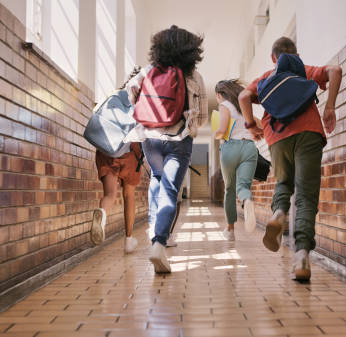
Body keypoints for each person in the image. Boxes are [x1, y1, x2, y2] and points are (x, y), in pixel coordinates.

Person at [238, 37, 342, 281]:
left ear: (274, 58)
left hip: (277, 136)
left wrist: (251, 124)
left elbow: (243, 96)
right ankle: (302, 256)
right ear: (295, 55)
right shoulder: (303, 71)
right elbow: (335, 70)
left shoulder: (266, 77)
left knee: (284, 182)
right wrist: (330, 107)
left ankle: (278, 214)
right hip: (309, 133)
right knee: (306, 195)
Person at [125, 25, 207, 273]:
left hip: (150, 138)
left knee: (157, 180)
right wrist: (188, 126)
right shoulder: (194, 77)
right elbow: (201, 116)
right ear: (191, 50)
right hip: (179, 139)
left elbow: (130, 90)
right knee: (170, 191)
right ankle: (159, 243)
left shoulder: (150, 70)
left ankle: (153, 228)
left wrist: (143, 113)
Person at [91, 69, 145, 254]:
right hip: (130, 154)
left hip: (106, 149)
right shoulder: (142, 104)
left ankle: (102, 214)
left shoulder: (114, 96)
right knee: (129, 195)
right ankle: (128, 240)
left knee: (110, 194)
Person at [213, 79, 258, 241]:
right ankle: (246, 200)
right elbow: (258, 126)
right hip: (249, 147)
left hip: (230, 148)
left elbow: (222, 129)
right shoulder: (243, 105)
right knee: (243, 186)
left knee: (230, 189)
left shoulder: (224, 105)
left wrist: (216, 133)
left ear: (219, 95)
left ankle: (230, 230)